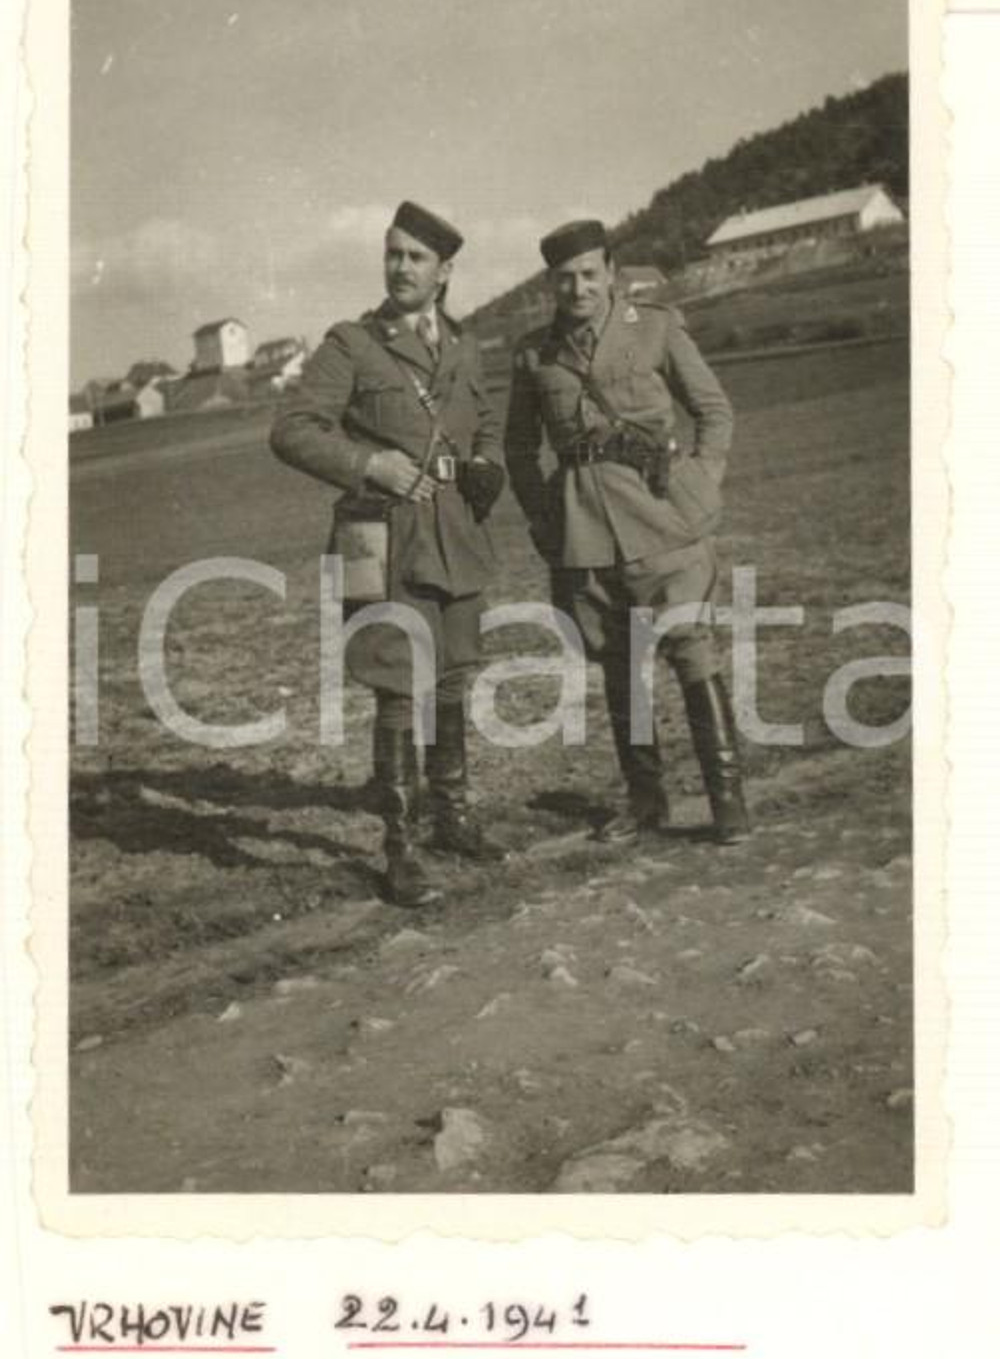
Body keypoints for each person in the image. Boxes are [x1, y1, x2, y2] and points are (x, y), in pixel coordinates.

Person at [270, 200, 507, 906]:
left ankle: (453, 817)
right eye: (393, 253)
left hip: (454, 536)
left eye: (416, 257)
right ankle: (401, 847)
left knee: (454, 679)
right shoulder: (351, 343)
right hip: (384, 540)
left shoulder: (464, 346)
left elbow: (486, 421)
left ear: (445, 273)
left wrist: (487, 461)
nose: (401, 267)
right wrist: (369, 465)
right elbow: (292, 430)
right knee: (402, 687)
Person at [505, 218, 750, 846]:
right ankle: (648, 803)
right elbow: (518, 448)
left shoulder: (657, 326)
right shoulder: (535, 354)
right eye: (565, 278)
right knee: (621, 669)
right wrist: (543, 518)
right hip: (586, 532)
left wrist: (704, 479)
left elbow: (714, 410)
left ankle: (729, 802)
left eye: (589, 273)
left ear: (610, 273)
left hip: (664, 519)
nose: (578, 287)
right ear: (551, 284)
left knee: (692, 649)